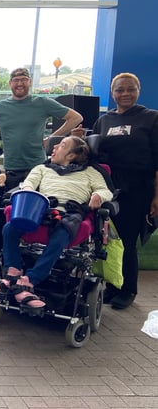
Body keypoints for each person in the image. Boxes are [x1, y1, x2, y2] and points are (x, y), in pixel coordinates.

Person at [0, 136, 113, 308]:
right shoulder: (42, 168)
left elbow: (105, 191)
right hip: (41, 209)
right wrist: (26, 192)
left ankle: (30, 279)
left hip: (69, 213)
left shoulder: (91, 173)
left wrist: (98, 195)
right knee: (10, 228)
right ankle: (13, 273)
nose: (54, 147)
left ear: (71, 155)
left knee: (62, 233)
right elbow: (28, 185)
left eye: (62, 145)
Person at [90, 73, 158, 310]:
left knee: (127, 240)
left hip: (138, 187)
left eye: (130, 89)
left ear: (138, 90)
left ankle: (128, 289)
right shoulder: (104, 121)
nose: (125, 94)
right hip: (108, 187)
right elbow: (94, 153)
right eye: (120, 90)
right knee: (107, 240)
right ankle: (113, 286)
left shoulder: (151, 118)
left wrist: (157, 195)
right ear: (113, 92)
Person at [0, 67, 84, 190]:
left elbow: (76, 118)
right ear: (10, 83)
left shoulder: (42, 103)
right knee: (10, 204)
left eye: (24, 80)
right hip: (11, 169)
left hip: (37, 167)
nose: (20, 83)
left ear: (30, 82)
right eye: (16, 80)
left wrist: (52, 138)